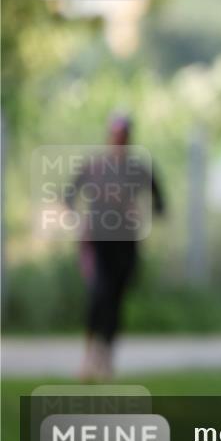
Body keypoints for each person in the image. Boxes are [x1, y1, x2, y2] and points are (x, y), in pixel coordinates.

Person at [69, 111, 165, 381]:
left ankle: (106, 360)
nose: (119, 139)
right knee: (99, 296)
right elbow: (68, 196)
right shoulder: (95, 167)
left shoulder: (139, 170)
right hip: (98, 241)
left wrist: (138, 210)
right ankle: (88, 358)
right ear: (109, 135)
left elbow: (160, 203)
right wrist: (80, 222)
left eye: (123, 134)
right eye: (115, 134)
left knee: (116, 300)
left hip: (126, 243)